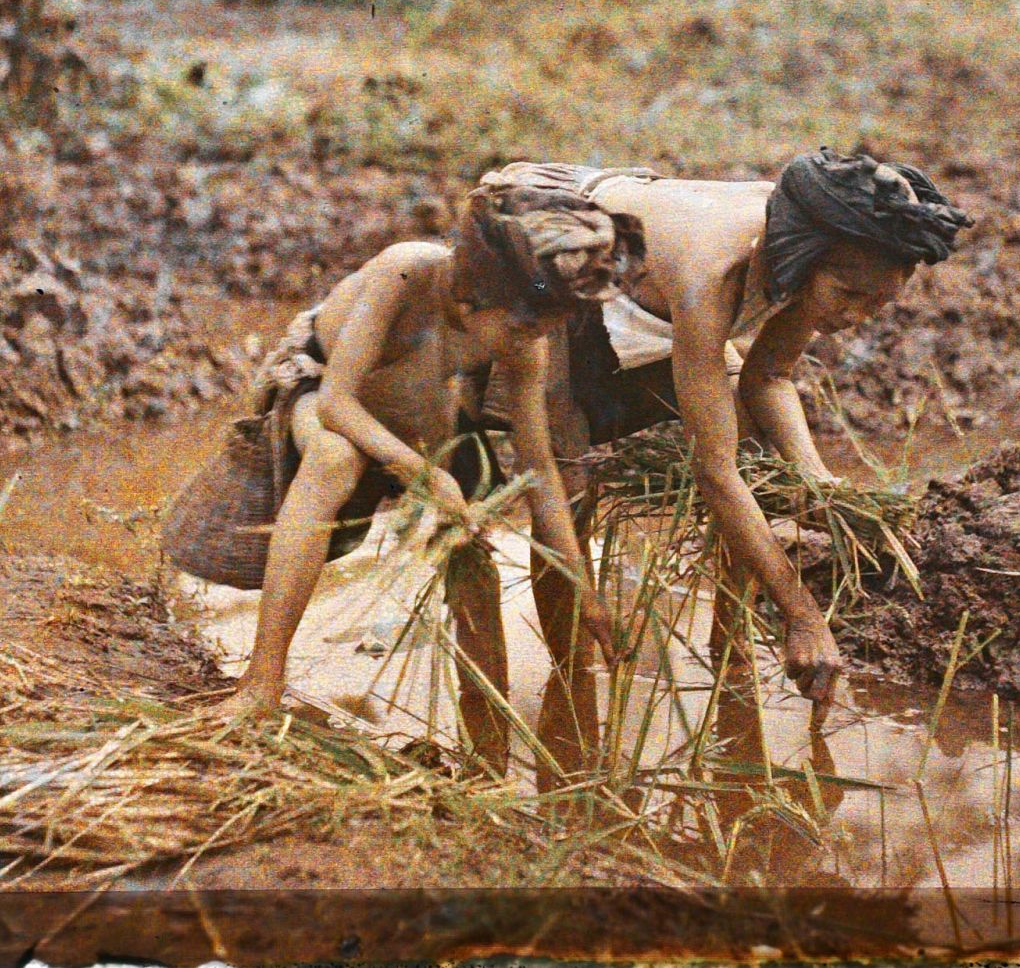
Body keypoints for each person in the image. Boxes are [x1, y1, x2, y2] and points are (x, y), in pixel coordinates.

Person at [476, 150, 972, 735]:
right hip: (548, 237)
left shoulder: (824, 245)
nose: (855, 317)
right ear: (804, 258)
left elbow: (770, 376)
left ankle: (729, 652)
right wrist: (805, 617)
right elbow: (714, 471)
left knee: (761, 454)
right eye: (846, 295)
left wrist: (819, 483)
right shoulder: (714, 271)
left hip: (639, 256)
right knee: (570, 470)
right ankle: (570, 677)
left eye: (879, 303)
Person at [208, 180, 637, 771]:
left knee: (473, 555)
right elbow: (337, 400)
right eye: (520, 329)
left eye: (539, 332)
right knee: (335, 461)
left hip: (424, 413)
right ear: (473, 299)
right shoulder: (406, 275)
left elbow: (540, 472)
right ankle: (262, 682)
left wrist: (586, 594)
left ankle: (487, 741)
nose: (530, 345)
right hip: (324, 392)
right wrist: (421, 472)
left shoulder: (523, 340)